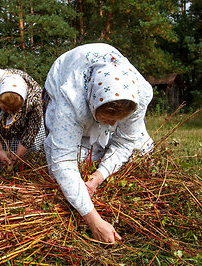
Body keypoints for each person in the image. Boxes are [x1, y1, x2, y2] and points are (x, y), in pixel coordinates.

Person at [44, 43, 154, 243]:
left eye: (118, 120)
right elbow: (63, 161)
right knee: (69, 164)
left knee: (143, 147)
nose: (112, 125)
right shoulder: (71, 98)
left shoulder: (138, 94)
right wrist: (93, 220)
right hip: (65, 76)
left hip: (107, 93)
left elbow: (125, 142)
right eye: (106, 119)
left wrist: (97, 177)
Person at [0, 68, 45, 172]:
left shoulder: (34, 98)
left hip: (25, 129)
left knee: (28, 168)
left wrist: (17, 156)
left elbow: (31, 130)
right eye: (5, 109)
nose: (8, 113)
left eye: (13, 110)